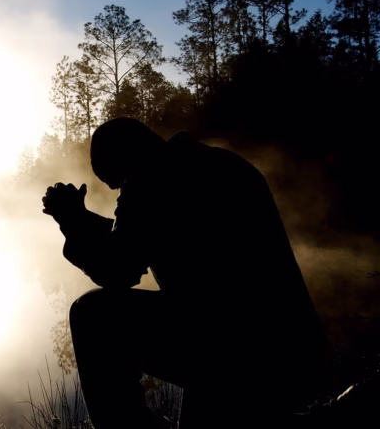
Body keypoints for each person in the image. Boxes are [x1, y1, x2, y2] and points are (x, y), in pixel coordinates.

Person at [42, 118, 327, 429]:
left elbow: (117, 268)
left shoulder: (154, 180)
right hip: (287, 345)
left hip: (233, 348)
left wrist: (71, 221)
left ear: (129, 158)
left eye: (120, 182)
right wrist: (83, 220)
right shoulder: (217, 163)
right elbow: (134, 237)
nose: (121, 194)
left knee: (92, 315)